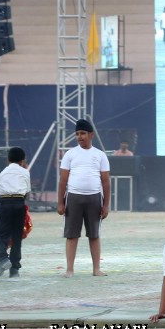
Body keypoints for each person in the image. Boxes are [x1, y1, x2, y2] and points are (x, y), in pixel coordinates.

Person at [57, 118, 111, 277]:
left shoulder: (100, 155)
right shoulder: (70, 154)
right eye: (77, 134)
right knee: (71, 235)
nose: (80, 137)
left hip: (94, 199)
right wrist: (60, 202)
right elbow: (63, 180)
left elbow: (106, 182)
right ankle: (70, 269)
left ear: (91, 135)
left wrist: (106, 205)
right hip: (73, 198)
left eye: (83, 133)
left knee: (94, 235)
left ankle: (96, 269)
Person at [0, 147, 31, 280]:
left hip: (5, 204)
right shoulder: (25, 172)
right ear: (22, 160)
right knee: (17, 237)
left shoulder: (2, 173)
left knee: (0, 236)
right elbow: (27, 192)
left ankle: (2, 258)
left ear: (7, 159)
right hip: (20, 203)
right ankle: (14, 269)